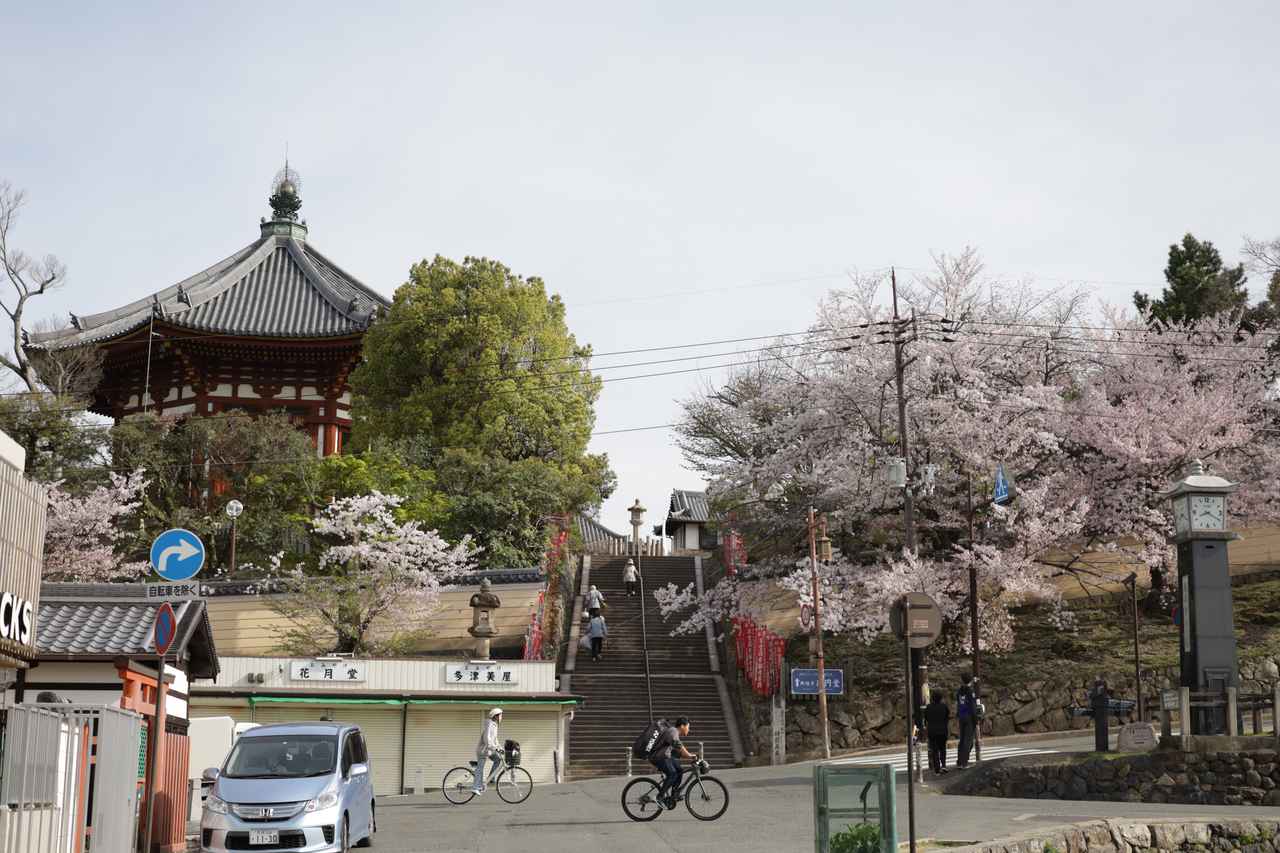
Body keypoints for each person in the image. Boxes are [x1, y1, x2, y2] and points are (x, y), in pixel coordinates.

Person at [650, 716, 698, 808]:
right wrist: (689, 755)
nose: (689, 730)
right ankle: (659, 797)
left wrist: (690, 756)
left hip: (665, 756)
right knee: (672, 774)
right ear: (682, 726)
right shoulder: (673, 731)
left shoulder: (674, 732)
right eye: (688, 727)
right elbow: (678, 745)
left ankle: (674, 794)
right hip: (659, 757)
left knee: (679, 770)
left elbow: (678, 751)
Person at [472, 707, 503, 794]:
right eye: (500, 715)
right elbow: (487, 738)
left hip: (489, 751)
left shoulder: (495, 725)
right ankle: (475, 787)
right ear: (496, 716)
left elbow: (495, 739)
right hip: (483, 750)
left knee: (498, 759)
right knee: (480, 768)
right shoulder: (489, 723)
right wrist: (493, 747)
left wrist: (500, 747)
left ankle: (491, 778)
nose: (501, 717)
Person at [923, 690, 950, 775]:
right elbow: (947, 717)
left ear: (932, 698)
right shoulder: (944, 706)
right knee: (943, 749)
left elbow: (926, 718)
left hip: (932, 732)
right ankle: (944, 765)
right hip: (943, 731)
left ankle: (937, 770)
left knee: (935, 751)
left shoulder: (929, 707)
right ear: (941, 698)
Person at [956, 674, 977, 768]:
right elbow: (973, 707)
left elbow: (958, 703)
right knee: (968, 741)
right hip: (969, 718)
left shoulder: (959, 691)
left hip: (961, 717)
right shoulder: (970, 692)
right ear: (970, 681)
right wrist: (976, 719)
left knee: (962, 740)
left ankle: (960, 762)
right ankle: (964, 763)